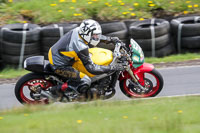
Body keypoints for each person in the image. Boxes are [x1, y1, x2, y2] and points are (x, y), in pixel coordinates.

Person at [48, 19, 123, 95]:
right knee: (85, 80)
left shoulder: (79, 31)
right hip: (59, 65)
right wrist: (111, 68)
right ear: (87, 34)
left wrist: (110, 39)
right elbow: (91, 68)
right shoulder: (80, 46)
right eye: (95, 35)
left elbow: (94, 37)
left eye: (97, 35)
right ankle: (54, 91)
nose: (96, 37)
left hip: (58, 55)